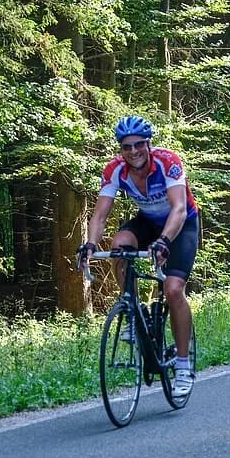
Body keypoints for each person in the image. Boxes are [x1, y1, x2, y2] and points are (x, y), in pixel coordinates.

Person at [78, 116, 200, 397]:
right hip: (147, 221)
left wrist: (164, 241)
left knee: (172, 289)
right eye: (126, 147)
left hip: (180, 224)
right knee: (120, 244)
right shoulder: (115, 170)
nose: (133, 152)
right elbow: (100, 214)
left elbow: (179, 209)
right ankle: (131, 309)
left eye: (138, 145)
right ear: (120, 149)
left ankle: (183, 365)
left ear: (148, 144)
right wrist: (90, 243)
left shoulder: (167, 162)